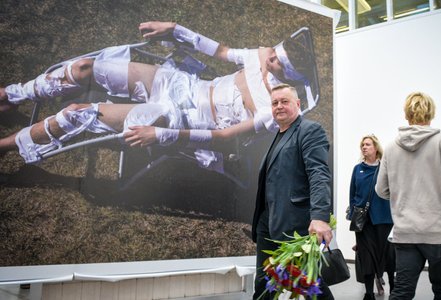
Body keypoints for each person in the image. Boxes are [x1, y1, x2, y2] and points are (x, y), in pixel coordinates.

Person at [0, 21, 315, 174]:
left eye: (274, 61)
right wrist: (176, 29)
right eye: (272, 52)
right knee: (85, 68)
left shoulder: (274, 107)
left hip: (180, 119)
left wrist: (162, 134)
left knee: (76, 112)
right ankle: (13, 96)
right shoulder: (262, 56)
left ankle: (4, 147)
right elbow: (221, 52)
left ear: (290, 74)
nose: (267, 59)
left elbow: (223, 137)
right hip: (181, 85)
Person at [375, 91, 441, 300]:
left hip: (405, 233)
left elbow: (381, 189)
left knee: (401, 292)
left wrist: (403, 193)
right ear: (432, 113)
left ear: (406, 114)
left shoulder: (392, 147)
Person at [251, 83, 333, 299]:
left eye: (284, 101)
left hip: (295, 225)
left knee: (309, 284)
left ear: (297, 104)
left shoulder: (309, 130)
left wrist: (320, 217)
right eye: (275, 102)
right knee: (263, 282)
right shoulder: (277, 135)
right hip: (268, 224)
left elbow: (319, 174)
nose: (279, 106)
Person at [348, 134, 394, 300]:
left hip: (384, 219)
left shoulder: (385, 168)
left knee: (387, 256)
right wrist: (353, 213)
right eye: (362, 145)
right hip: (363, 222)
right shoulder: (357, 169)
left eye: (368, 144)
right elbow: (352, 194)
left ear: (376, 148)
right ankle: (369, 293)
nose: (364, 147)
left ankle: (393, 288)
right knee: (365, 257)